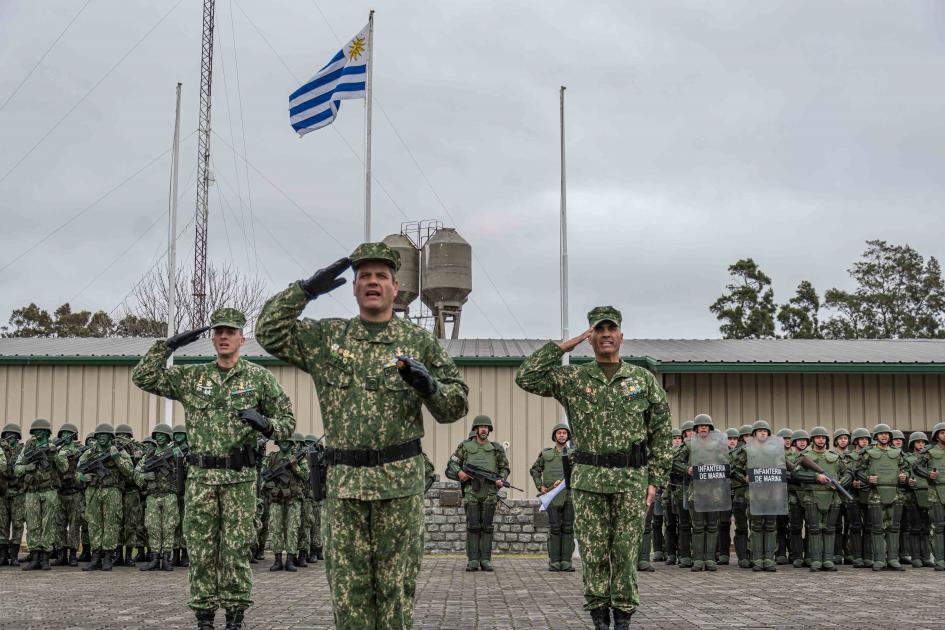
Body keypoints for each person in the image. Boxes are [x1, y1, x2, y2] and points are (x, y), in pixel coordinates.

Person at [255, 245, 469, 629]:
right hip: (345, 487)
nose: (373, 282)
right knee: (348, 592)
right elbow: (268, 331)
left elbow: (455, 406)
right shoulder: (328, 337)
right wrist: (304, 291)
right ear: (353, 286)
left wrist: (430, 386)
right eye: (365, 276)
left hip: (399, 486)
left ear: (395, 286)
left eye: (381, 276)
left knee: (395, 592)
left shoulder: (418, 342)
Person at [132, 307, 296, 630]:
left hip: (240, 479)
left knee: (235, 549)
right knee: (202, 550)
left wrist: (265, 423)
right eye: (218, 331)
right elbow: (143, 376)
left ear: (241, 338)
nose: (223, 336)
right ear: (212, 338)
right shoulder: (194, 377)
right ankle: (204, 616)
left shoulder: (259, 378)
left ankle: (235, 615)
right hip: (202, 479)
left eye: (230, 331)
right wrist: (169, 345)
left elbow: (288, 423)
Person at [516, 306, 672, 630]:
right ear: (591, 337)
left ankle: (624, 618)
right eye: (598, 330)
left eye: (610, 329)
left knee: (626, 553)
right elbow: (525, 376)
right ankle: (600, 619)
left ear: (620, 336)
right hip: (588, 479)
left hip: (631, 480)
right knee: (593, 553)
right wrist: (563, 347)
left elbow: (660, 433)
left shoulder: (642, 379)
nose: (605, 335)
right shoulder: (574, 378)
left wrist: (655, 480)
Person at [446, 416, 510, 572]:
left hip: (489, 492)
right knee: (473, 525)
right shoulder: (465, 446)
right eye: (480, 427)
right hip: (471, 491)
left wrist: (501, 480)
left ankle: (486, 560)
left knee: (487, 526)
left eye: (486, 427)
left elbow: (504, 468)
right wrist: (460, 472)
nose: (483, 429)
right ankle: (473, 560)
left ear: (489, 430)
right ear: (475, 429)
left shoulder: (496, 449)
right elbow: (452, 462)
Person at [77, 423, 133, 572]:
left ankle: (108, 557)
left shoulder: (119, 452)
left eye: (105, 435)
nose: (102, 437)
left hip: (112, 490)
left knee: (111, 524)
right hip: (93, 491)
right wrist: (83, 477)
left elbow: (129, 471)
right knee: (94, 524)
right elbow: (77, 471)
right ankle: (95, 558)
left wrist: (117, 458)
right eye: (99, 435)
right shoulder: (88, 453)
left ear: (110, 437)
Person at [15, 418, 69, 570]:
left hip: (49, 490)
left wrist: (55, 454)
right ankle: (35, 556)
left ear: (47, 432)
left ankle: (45, 557)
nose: (38, 432)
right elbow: (17, 468)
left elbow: (64, 468)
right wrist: (28, 467)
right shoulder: (28, 447)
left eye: (41, 430)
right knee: (32, 525)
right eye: (35, 430)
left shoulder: (54, 447)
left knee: (48, 524)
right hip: (32, 491)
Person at [855, 423, 909, 571]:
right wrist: (867, 478)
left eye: (886, 434)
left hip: (895, 494)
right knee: (877, 527)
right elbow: (858, 470)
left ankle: (892, 559)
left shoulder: (898, 453)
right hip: (876, 494)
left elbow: (906, 469)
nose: (884, 436)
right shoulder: (868, 453)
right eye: (881, 434)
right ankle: (879, 559)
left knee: (894, 527)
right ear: (876, 436)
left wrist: (905, 476)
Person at [799, 426, 849, 572]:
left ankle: (827, 559)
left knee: (829, 529)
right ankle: (815, 560)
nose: (821, 439)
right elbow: (796, 474)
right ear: (813, 439)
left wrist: (841, 483)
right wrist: (816, 477)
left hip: (832, 496)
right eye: (818, 437)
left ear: (827, 440)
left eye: (823, 437)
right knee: (814, 529)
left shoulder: (835, 456)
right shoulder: (805, 456)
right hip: (812, 495)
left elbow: (848, 472)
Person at [134, 423, 182, 571]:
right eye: (158, 435)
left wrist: (178, 457)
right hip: (152, 496)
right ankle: (155, 558)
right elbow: (136, 473)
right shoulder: (149, 455)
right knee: (152, 526)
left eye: (163, 435)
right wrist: (144, 477)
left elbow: (182, 471)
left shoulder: (175, 452)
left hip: (169, 495)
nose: (160, 437)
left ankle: (166, 558)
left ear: (168, 437)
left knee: (169, 526)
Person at [261, 435, 309, 572]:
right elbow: (264, 476)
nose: (284, 443)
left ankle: (290, 559)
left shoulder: (298, 458)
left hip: (293, 499)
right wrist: (271, 487)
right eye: (281, 441)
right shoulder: (272, 457)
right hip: (276, 499)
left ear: (291, 443)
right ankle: (277, 560)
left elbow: (306, 476)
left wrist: (295, 467)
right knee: (275, 528)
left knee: (292, 528)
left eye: (287, 441)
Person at [115, 423, 146, 566]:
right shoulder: (114, 449)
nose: (123, 439)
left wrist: (137, 457)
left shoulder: (137, 449)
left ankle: (128, 555)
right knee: (117, 524)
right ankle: (117, 555)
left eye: (126, 436)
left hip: (132, 492)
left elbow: (140, 468)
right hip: (117, 491)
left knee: (131, 524)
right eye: (120, 436)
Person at [54, 422, 84, 567]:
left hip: (74, 492)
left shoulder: (80, 450)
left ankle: (72, 554)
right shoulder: (55, 449)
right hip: (59, 492)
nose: (66, 436)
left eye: (68, 434)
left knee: (74, 525)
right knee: (59, 525)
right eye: (63, 434)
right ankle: (61, 554)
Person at [916, 422, 945, 570]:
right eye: (942, 432)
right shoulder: (930, 452)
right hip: (936, 493)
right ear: (936, 435)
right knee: (938, 527)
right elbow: (916, 466)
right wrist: (928, 474)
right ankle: (940, 560)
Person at [904, 431, 932, 568]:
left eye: (923, 442)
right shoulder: (908, 459)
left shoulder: (930, 458)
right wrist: (907, 481)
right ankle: (915, 557)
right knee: (915, 527)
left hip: (928, 495)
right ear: (912, 444)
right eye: (918, 442)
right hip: (912, 496)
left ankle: (926, 556)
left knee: (926, 527)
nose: (921, 444)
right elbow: (902, 474)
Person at [171, 424, 190, 567]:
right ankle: (175, 553)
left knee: (186, 522)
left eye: (181, 434)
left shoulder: (190, 450)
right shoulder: (169, 450)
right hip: (173, 490)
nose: (178, 436)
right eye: (176, 434)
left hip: (187, 490)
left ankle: (185, 554)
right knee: (174, 522)